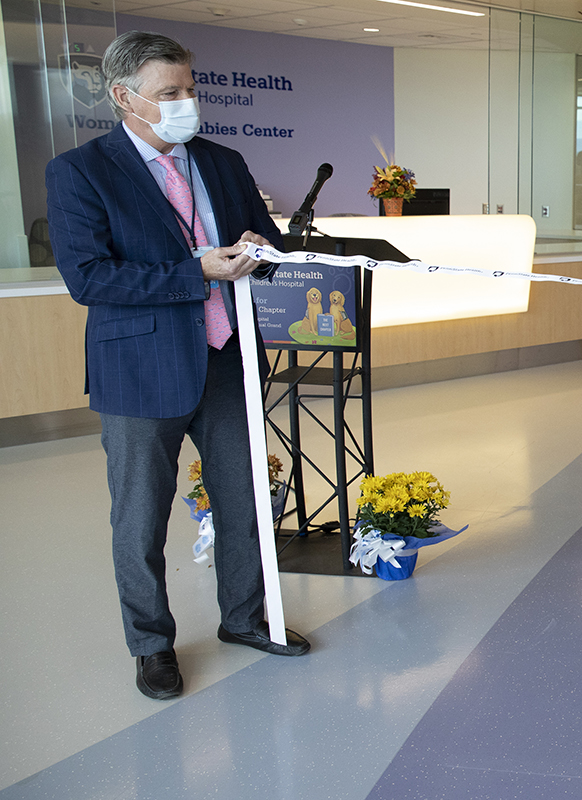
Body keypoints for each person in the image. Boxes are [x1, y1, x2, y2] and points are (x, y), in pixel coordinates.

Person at [46, 31, 311, 701]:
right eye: (169, 94)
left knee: (246, 500)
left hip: (226, 358)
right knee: (139, 518)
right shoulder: (80, 172)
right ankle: (151, 645)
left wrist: (261, 248)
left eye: (190, 89)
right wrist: (195, 270)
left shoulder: (222, 160)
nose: (185, 103)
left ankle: (245, 619)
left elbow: (267, 244)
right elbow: (90, 278)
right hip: (139, 371)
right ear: (123, 97)